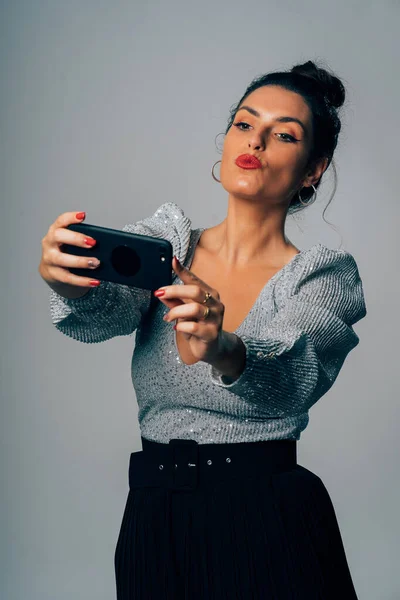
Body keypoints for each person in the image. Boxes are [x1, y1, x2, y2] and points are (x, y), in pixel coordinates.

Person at [39, 60, 367, 599]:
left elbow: (294, 375)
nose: (256, 141)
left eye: (284, 134)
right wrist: (71, 280)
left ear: (313, 169)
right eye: (244, 123)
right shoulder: (167, 244)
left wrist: (223, 347)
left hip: (267, 520)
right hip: (154, 518)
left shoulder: (322, 276)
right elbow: (106, 313)